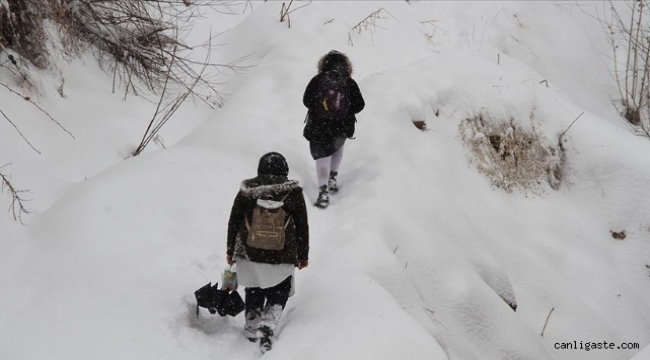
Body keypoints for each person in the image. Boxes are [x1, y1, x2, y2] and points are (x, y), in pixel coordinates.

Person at [226, 152, 309, 353]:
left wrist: (230, 250)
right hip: (282, 253)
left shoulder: (248, 191)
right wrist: (303, 254)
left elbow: (234, 221)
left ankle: (252, 323)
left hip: (250, 251)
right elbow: (302, 225)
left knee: (254, 286)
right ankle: (269, 322)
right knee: (280, 288)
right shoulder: (294, 193)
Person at [303, 50, 365, 209]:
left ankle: (323, 191)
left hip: (318, 126)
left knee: (321, 156)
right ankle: (332, 178)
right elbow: (360, 105)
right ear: (346, 66)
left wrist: (321, 109)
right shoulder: (348, 82)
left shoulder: (318, 80)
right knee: (337, 146)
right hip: (341, 127)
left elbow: (306, 101)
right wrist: (344, 110)